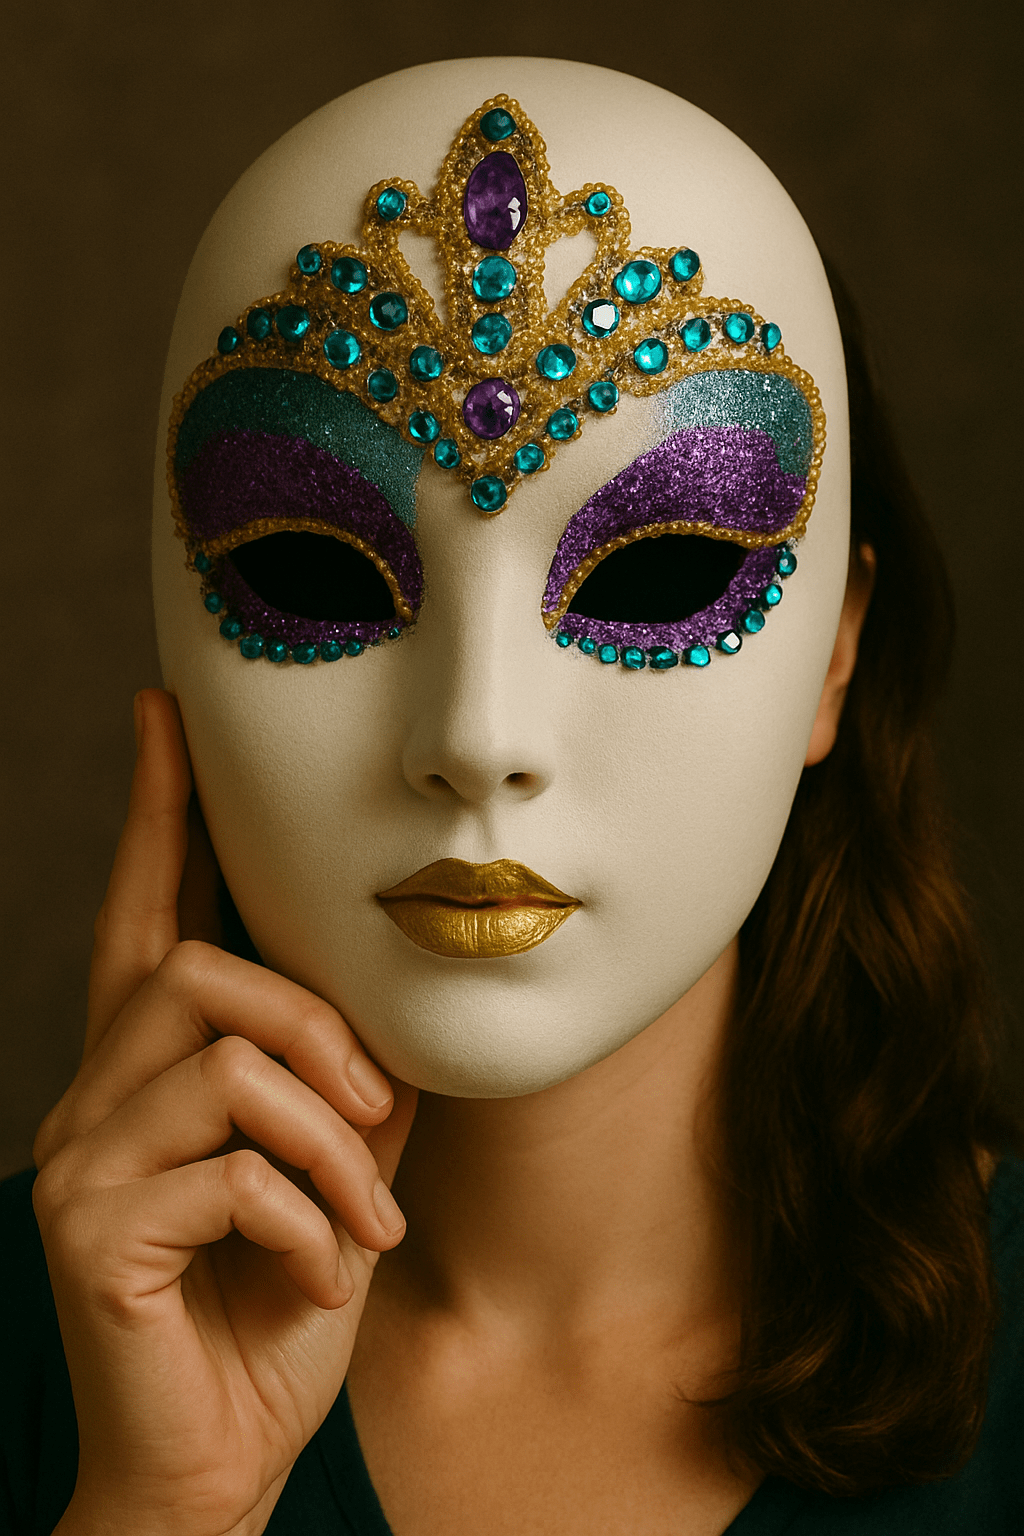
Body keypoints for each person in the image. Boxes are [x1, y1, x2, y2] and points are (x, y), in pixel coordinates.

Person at [3, 57, 1022, 1536]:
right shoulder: (46, 1350)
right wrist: (161, 1509)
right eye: (315, 568)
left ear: (835, 660)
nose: (477, 738)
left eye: (661, 568)